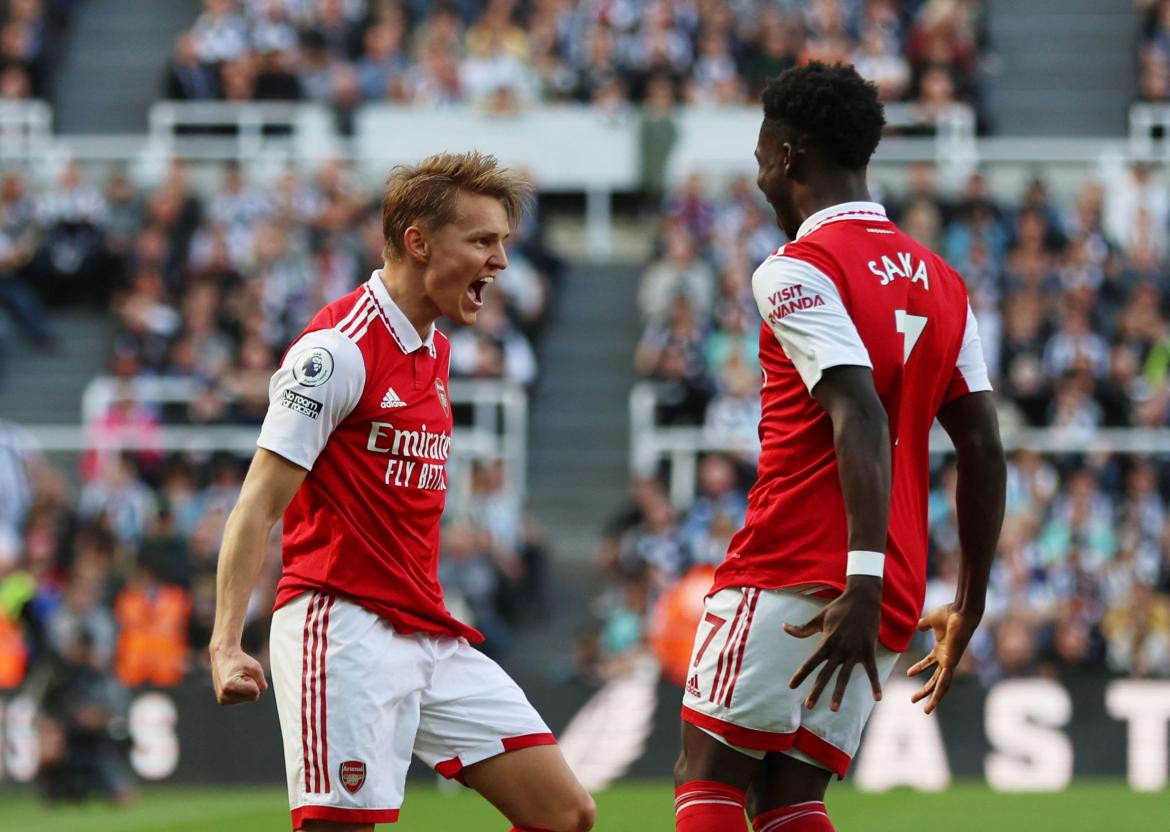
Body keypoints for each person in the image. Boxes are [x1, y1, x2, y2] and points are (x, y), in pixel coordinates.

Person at [209, 152, 595, 832]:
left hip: (424, 628)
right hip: (341, 628)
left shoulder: (436, 349)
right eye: (482, 241)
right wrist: (225, 641)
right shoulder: (335, 353)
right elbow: (257, 505)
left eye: (502, 241)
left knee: (565, 814)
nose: (500, 261)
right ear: (417, 242)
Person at [672, 63, 1006, 832]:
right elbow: (983, 447)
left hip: (799, 562)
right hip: (893, 585)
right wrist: (969, 602)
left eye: (762, 159)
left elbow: (853, 407)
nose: (759, 178)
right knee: (790, 799)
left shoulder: (800, 268)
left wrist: (857, 574)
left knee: (709, 774)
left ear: (790, 157)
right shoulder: (944, 282)